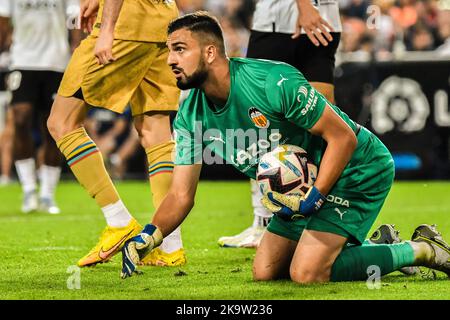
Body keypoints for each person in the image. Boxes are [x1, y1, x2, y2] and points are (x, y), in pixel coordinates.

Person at [120, 12, 450, 283]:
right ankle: (376, 246)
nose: (170, 60)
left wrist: (316, 196)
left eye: (179, 49)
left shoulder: (271, 83)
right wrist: (150, 236)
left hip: (356, 167)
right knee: (266, 272)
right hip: (299, 188)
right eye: (169, 51)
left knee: (307, 273)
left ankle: (421, 249)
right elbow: (180, 195)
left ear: (209, 52)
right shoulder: (190, 114)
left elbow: (343, 138)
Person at [46, 0, 185, 267]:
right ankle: (169, 245)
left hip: (125, 24)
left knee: (62, 122)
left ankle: (118, 221)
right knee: (154, 131)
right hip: (162, 24)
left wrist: (107, 28)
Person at [218, 0, 343, 249]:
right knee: (259, 117)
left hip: (315, 18)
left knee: (323, 120)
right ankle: (263, 220)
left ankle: (323, 214)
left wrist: (305, 6)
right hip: (284, 22)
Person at [0, 0, 82, 214]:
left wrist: (76, 49)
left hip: (57, 63)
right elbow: (3, 20)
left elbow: (74, 17)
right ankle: (28, 189)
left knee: (53, 128)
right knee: (20, 118)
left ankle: (47, 192)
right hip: (22, 61)